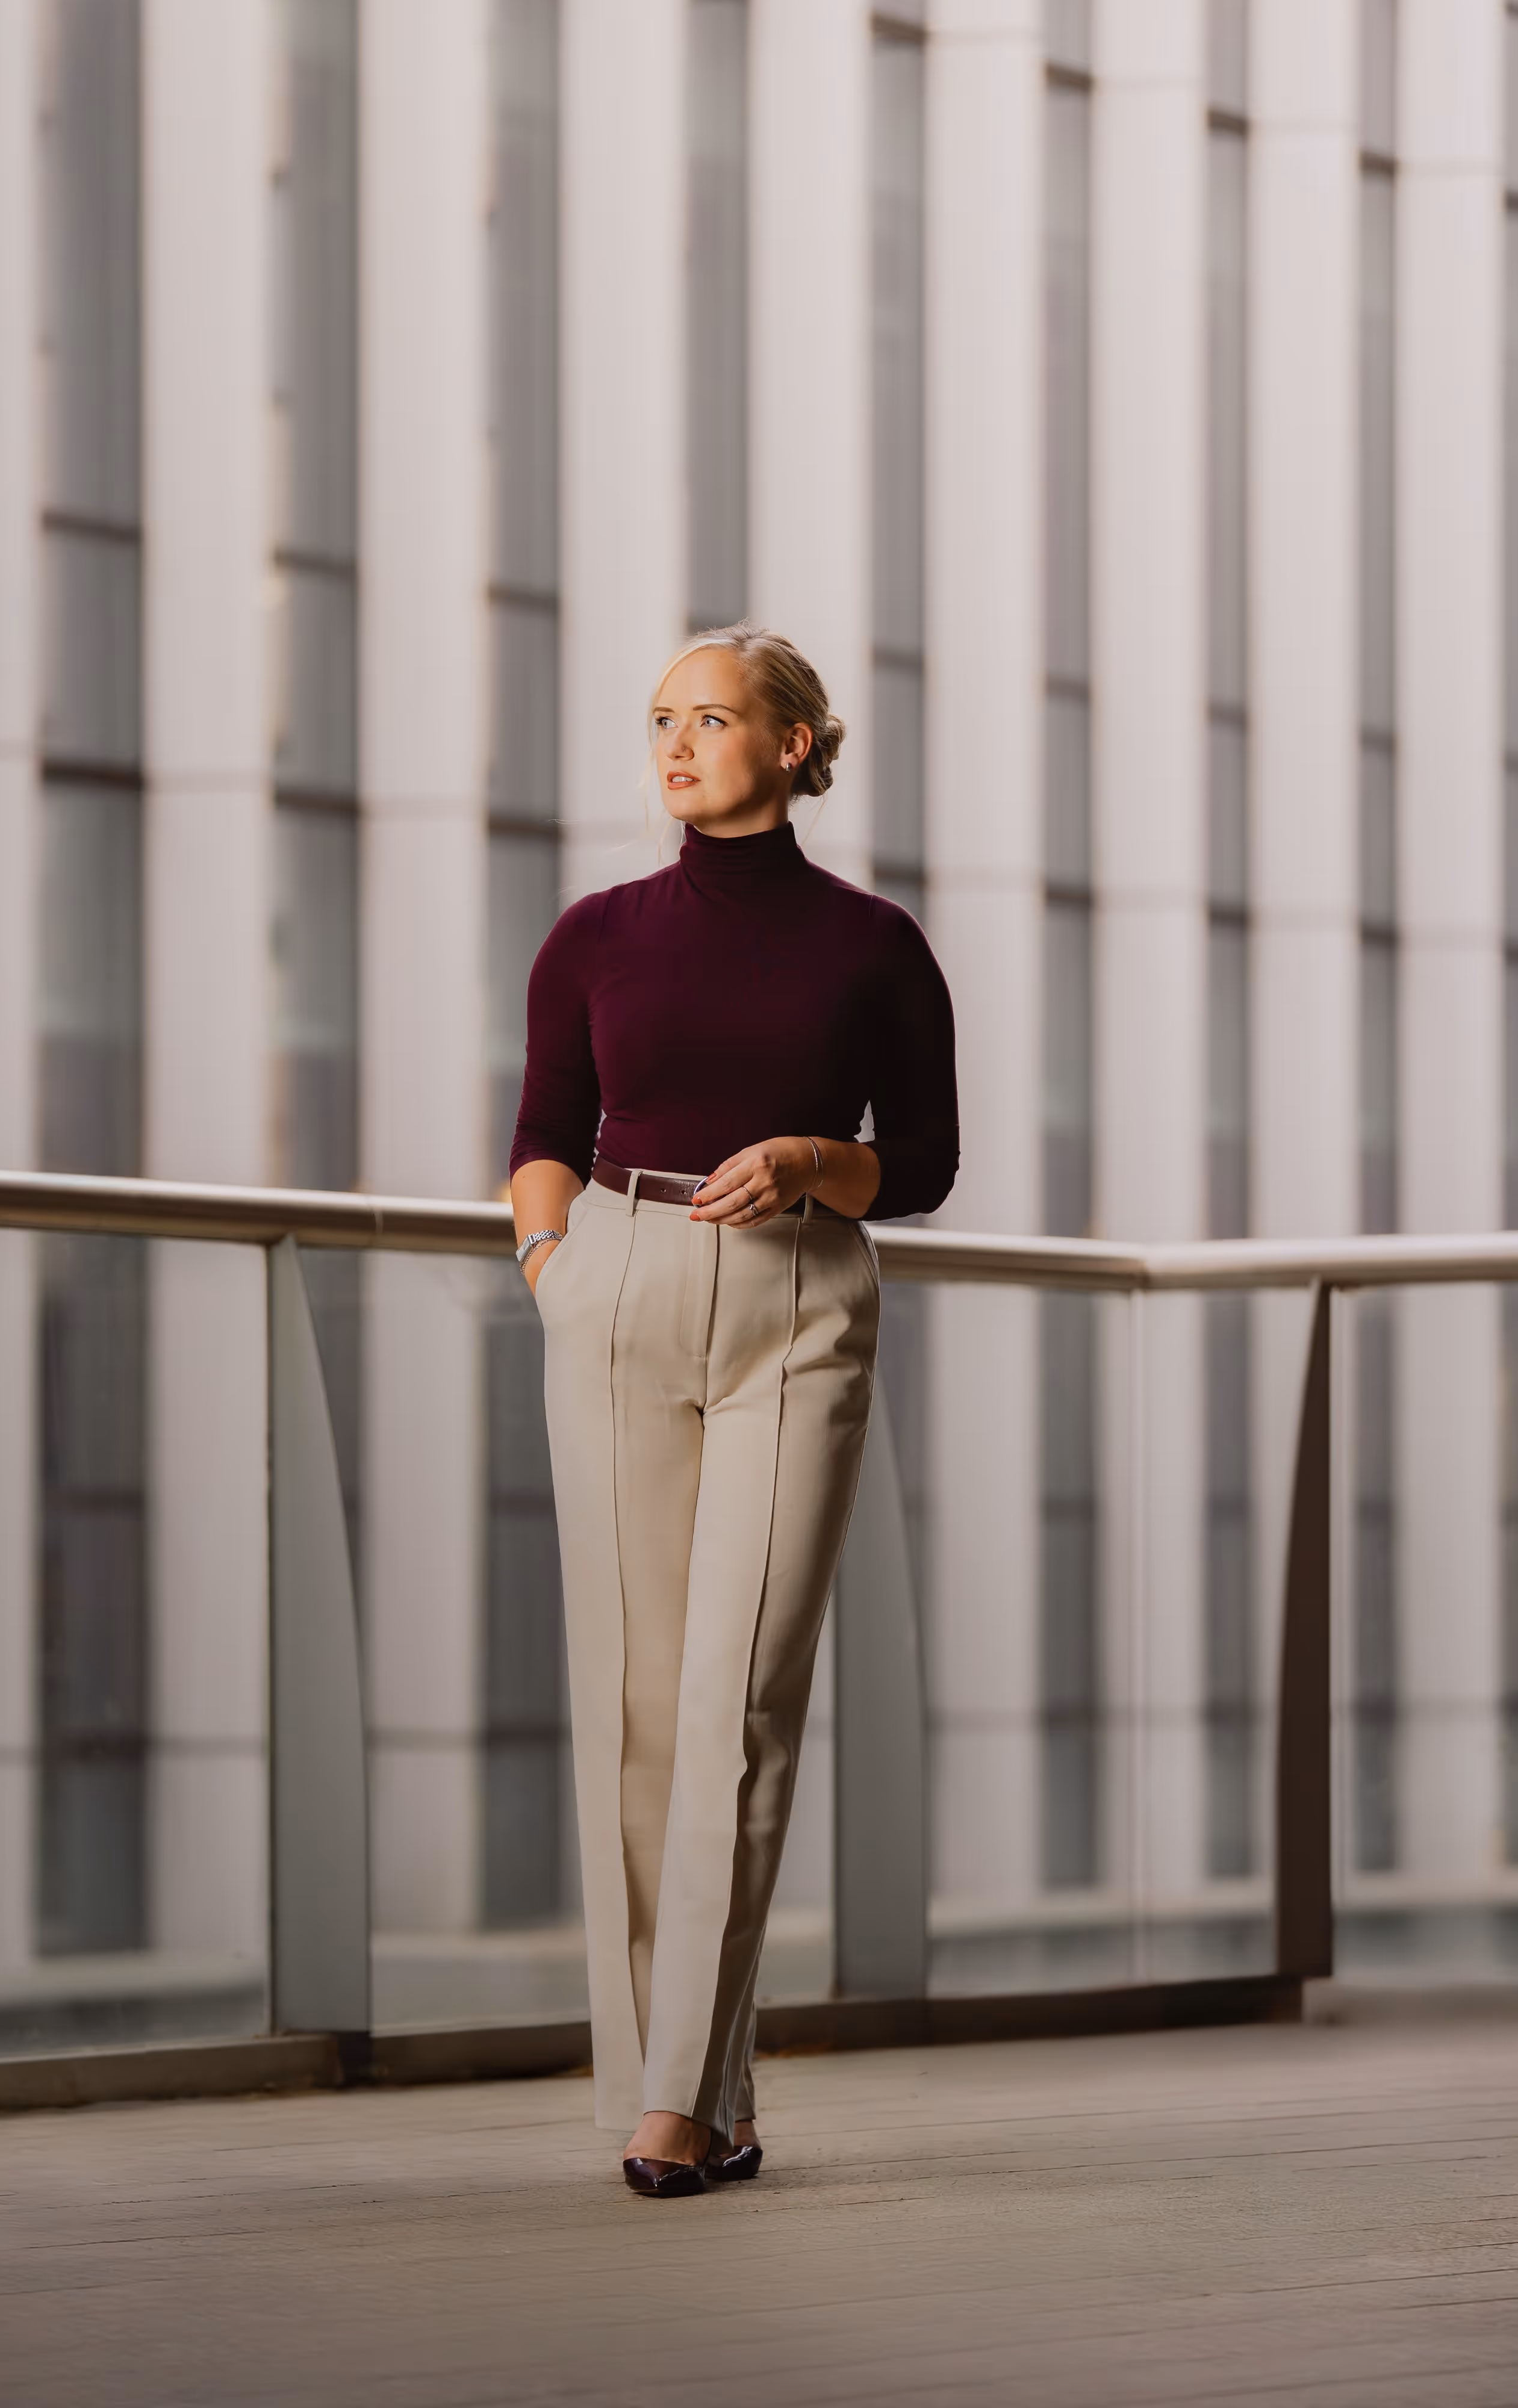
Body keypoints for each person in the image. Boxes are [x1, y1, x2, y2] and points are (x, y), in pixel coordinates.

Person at [508, 624, 959, 2196]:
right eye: (660, 722)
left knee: (739, 1712)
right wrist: (552, 1263)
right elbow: (545, 1127)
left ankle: (673, 2104)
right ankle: (700, 2093)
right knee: (633, 1716)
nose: (678, 745)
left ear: (792, 745)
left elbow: (929, 1159)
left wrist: (816, 1163)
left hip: (798, 1305)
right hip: (615, 1289)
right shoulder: (594, 936)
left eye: (711, 719)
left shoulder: (875, 945)